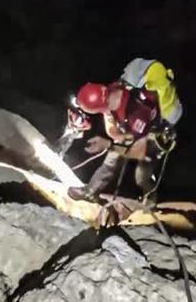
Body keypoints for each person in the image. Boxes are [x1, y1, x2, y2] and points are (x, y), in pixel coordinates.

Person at [66, 58, 182, 202]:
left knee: (141, 175)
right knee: (111, 159)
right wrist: (115, 135)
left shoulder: (137, 112)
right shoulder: (114, 89)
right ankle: (90, 191)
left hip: (152, 131)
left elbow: (137, 150)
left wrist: (109, 144)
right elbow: (110, 122)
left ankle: (150, 195)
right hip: (132, 128)